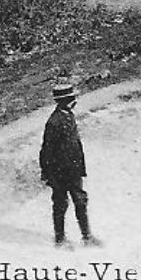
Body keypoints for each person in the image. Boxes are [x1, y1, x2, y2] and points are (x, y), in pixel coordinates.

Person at [39, 80, 96, 247]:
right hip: (59, 172)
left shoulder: (69, 115)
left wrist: (80, 168)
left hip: (74, 170)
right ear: (63, 101)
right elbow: (46, 150)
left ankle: (87, 237)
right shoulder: (54, 122)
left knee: (80, 201)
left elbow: (75, 145)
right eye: (71, 98)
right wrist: (48, 173)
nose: (75, 100)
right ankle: (60, 239)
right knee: (60, 204)